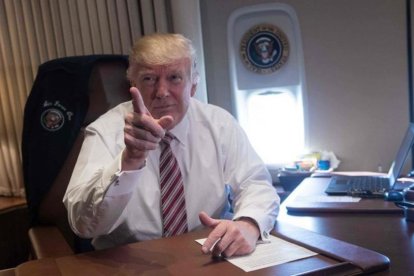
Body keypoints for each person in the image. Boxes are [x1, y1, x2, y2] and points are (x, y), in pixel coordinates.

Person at [63, 33, 279, 257]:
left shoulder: (220, 124)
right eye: (149, 79)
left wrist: (249, 223)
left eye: (174, 78)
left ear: (193, 86)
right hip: (130, 261)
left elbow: (256, 184)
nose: (162, 92)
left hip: (206, 255)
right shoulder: (105, 132)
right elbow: (83, 224)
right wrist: (129, 161)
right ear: (133, 84)